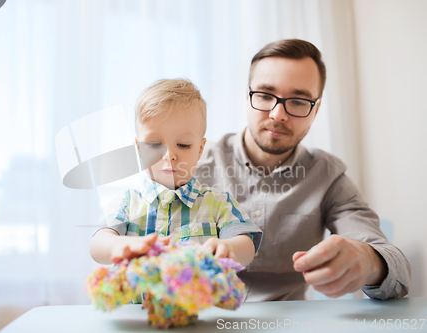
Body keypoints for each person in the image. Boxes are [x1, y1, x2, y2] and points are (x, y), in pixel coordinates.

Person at [195, 39, 411, 301]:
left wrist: (368, 261)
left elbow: (397, 269)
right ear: (248, 96)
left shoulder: (328, 176)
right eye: (265, 95)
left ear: (316, 110)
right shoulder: (191, 163)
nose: (277, 114)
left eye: (297, 101)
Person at [90, 78, 262, 267]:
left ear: (199, 150)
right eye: (155, 144)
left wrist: (229, 249)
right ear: (139, 149)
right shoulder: (128, 203)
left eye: (183, 145)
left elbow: (247, 245)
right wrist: (118, 245)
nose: (169, 155)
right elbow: (98, 244)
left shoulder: (218, 203)